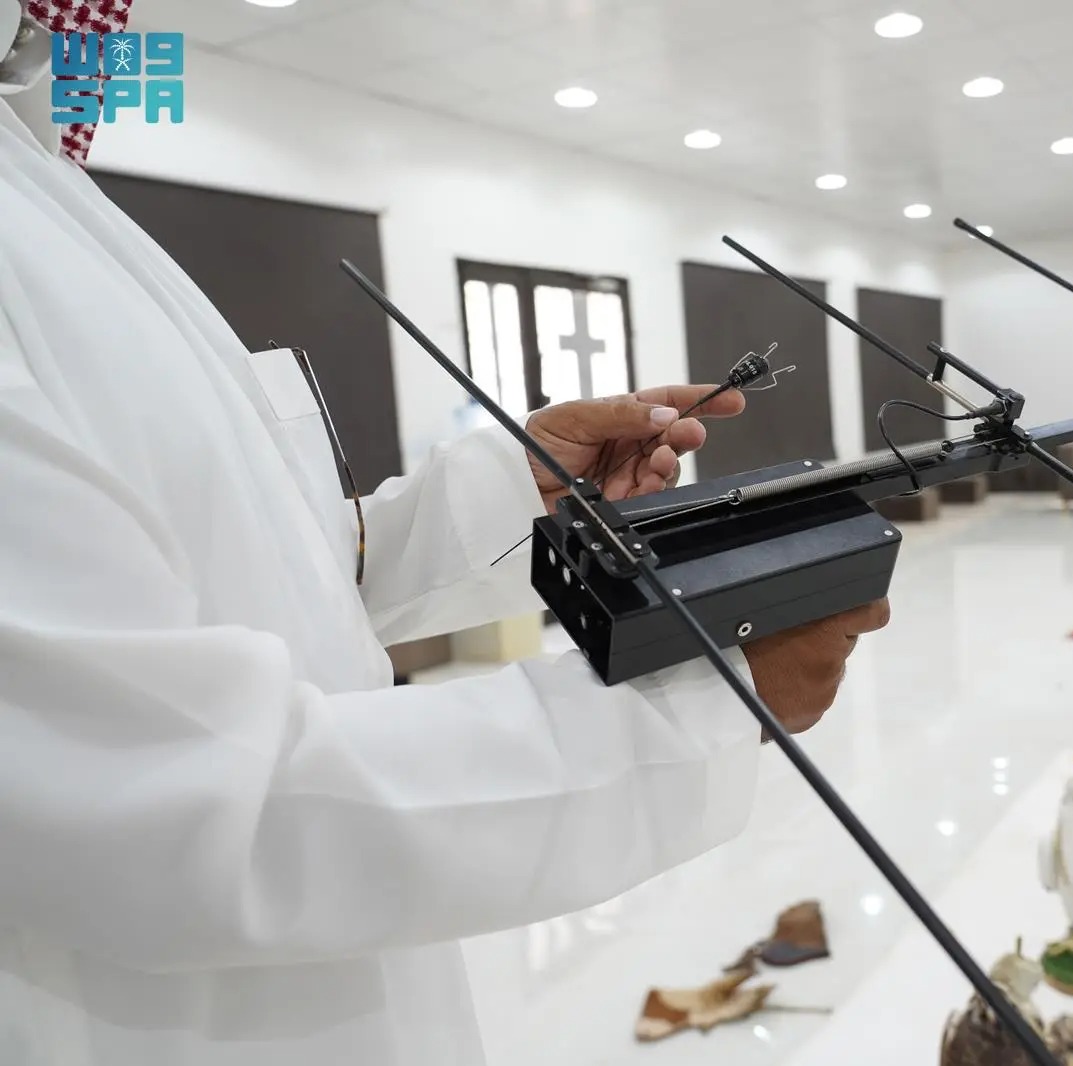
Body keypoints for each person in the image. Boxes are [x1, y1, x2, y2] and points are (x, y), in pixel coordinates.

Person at [0, 7, 890, 1064]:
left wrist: (510, 492)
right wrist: (702, 702)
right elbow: (166, 807)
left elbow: (260, 568)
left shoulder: (49, 190)